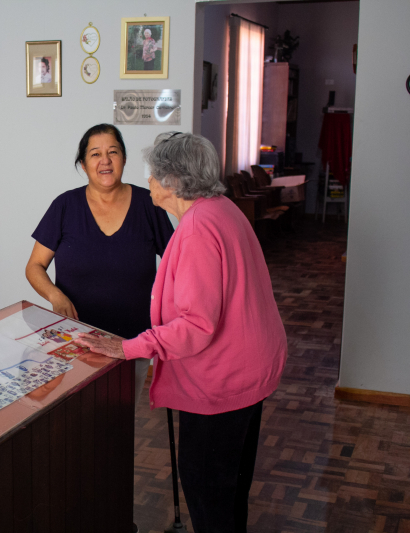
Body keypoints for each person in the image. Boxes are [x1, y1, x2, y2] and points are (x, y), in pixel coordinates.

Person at [75, 132, 288, 533]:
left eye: (153, 174)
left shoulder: (196, 229)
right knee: (229, 488)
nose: (149, 182)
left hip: (222, 381)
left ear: (172, 182)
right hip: (249, 369)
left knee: (208, 491)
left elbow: (195, 326)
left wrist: (127, 348)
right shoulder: (221, 209)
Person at [25, 123, 174, 345]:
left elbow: (177, 264)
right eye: (96, 154)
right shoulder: (65, 206)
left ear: (124, 159)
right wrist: (55, 296)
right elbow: (34, 266)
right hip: (75, 335)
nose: (105, 160)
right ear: (84, 165)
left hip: (134, 340)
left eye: (113, 152)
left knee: (129, 382)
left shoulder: (149, 203)